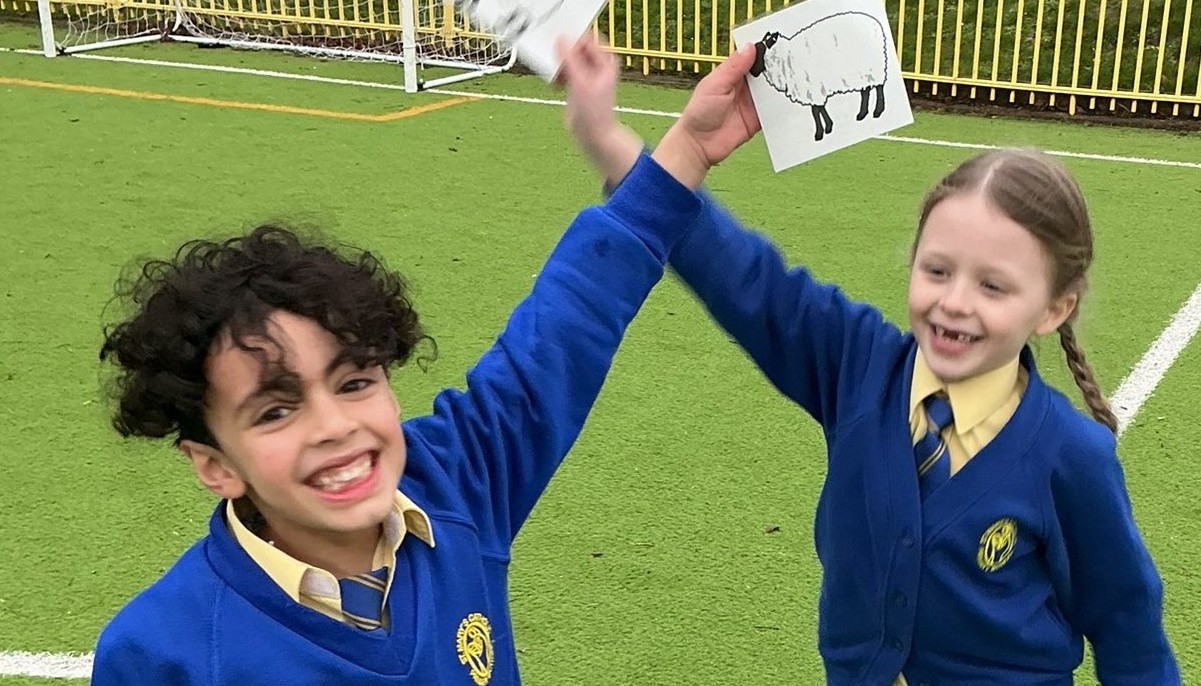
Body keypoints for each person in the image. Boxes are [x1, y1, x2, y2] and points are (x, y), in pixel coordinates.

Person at [90, 36, 711, 686]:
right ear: (215, 465)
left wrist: (688, 147)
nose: (334, 425)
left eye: (354, 380)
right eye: (276, 410)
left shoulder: (455, 482)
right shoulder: (164, 654)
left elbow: (561, 332)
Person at [564, 40, 1181, 685]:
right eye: (937, 270)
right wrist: (611, 141)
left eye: (993, 286)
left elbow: (1127, 627)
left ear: (1055, 308)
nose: (954, 302)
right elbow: (744, 277)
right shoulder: (857, 366)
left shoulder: (1071, 454)